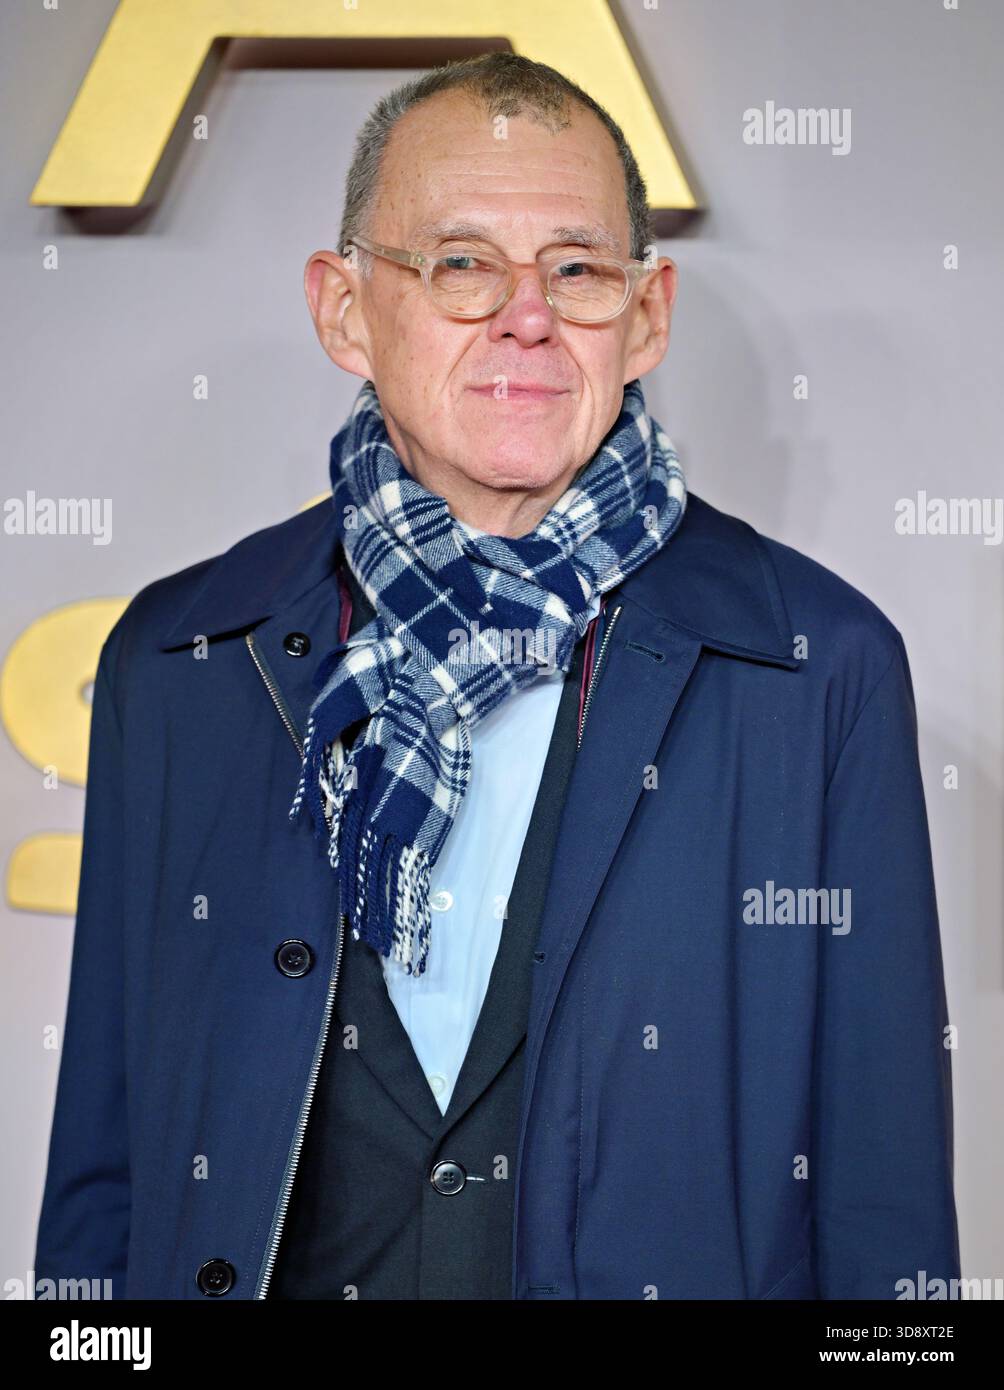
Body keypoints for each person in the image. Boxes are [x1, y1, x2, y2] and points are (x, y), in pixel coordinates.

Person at [34, 51, 960, 1301]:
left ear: (645, 315)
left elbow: (881, 1193)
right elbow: (105, 1168)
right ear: (344, 308)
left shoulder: (820, 665)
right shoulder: (177, 656)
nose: (526, 315)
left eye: (575, 269)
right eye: (460, 262)